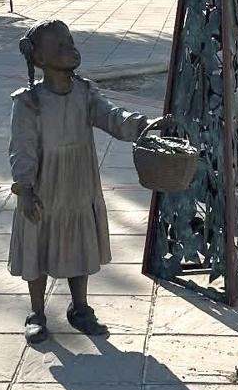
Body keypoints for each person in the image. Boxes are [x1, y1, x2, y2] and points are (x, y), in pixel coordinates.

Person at [8, 19, 152, 344]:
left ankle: (80, 307)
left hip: (78, 180)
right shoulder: (28, 102)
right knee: (38, 240)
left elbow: (110, 116)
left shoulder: (85, 92)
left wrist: (144, 125)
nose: (69, 49)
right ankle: (36, 312)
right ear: (39, 59)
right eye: (58, 46)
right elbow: (22, 148)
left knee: (78, 239)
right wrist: (24, 188)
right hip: (44, 182)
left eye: (70, 42)